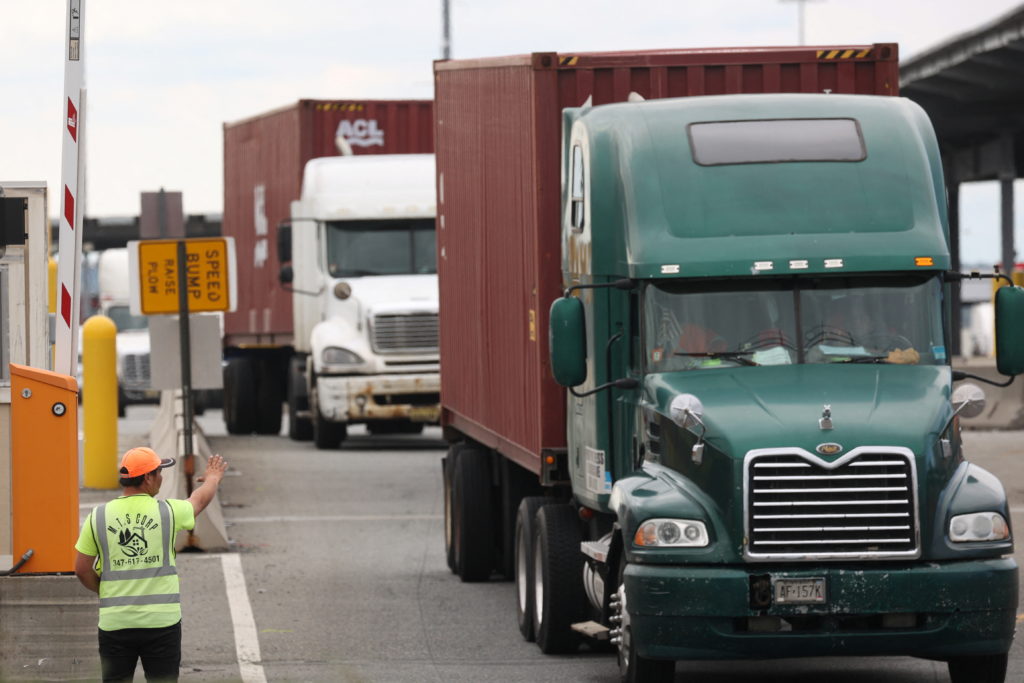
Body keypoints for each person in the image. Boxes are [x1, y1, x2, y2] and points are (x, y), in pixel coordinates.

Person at [74, 447, 228, 682]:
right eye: (158, 472)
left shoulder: (99, 516)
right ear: (147, 478)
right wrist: (213, 478)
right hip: (161, 623)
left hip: (116, 622)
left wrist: (106, 591)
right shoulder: (167, 512)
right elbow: (198, 501)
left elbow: (82, 569)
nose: (162, 477)